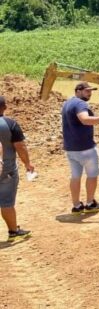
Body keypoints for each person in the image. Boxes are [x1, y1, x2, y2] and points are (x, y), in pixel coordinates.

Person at [61, 81, 99, 214]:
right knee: (92, 175)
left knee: (75, 177)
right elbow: (84, 119)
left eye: (90, 91)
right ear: (78, 91)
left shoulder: (67, 103)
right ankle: (90, 203)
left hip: (71, 148)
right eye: (87, 91)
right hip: (85, 148)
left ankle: (76, 205)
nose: (89, 93)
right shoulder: (80, 104)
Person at [0, 96, 34, 241]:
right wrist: (27, 164)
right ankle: (13, 231)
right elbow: (20, 146)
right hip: (6, 169)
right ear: (4, 107)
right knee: (6, 201)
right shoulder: (10, 124)